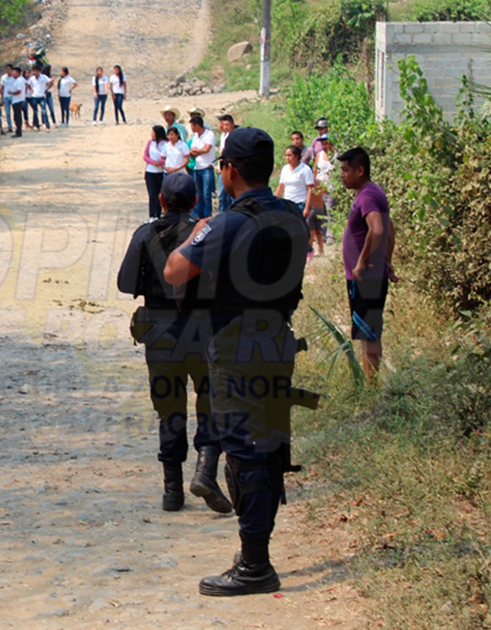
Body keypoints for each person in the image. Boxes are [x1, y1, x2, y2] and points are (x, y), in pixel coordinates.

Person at [164, 128, 310, 597]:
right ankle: (256, 553)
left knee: (244, 452)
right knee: (267, 448)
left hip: (236, 345)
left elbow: (174, 270)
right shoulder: (294, 217)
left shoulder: (226, 223)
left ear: (228, 169)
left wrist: (203, 230)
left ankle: (254, 564)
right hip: (277, 340)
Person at [118, 172, 232, 515]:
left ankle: (172, 491)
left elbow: (125, 283)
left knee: (169, 412)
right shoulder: (208, 233)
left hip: (161, 334)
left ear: (162, 201)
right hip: (204, 330)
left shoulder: (145, 233)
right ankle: (205, 470)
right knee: (211, 404)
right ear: (196, 202)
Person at [338, 147, 394, 383]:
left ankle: (371, 386)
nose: (342, 174)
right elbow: (391, 228)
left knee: (368, 334)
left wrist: (361, 262)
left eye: (345, 170)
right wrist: (387, 261)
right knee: (368, 332)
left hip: (365, 278)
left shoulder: (368, 195)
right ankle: (371, 382)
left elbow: (379, 229)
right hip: (372, 275)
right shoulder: (371, 191)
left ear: (359, 170)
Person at [276, 145, 318, 257]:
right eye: (286, 155)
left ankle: (307, 250)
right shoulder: (285, 169)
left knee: (301, 229)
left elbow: (309, 188)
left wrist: (307, 207)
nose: (287, 158)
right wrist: (274, 200)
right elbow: (281, 186)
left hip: (300, 203)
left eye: (290, 155)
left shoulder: (305, 169)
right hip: (287, 203)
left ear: (297, 156)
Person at [188, 116, 217, 219]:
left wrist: (197, 151)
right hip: (198, 167)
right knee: (199, 194)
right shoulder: (196, 136)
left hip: (207, 167)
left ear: (196, 125)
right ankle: (199, 215)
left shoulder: (209, 135)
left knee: (206, 194)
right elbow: (192, 150)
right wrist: (199, 151)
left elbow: (206, 150)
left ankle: (207, 215)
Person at [143, 125, 168, 220]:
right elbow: (145, 156)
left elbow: (168, 156)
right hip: (150, 171)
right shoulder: (150, 143)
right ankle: (151, 215)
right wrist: (154, 162)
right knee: (152, 194)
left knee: (159, 194)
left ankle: (157, 214)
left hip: (161, 172)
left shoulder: (166, 144)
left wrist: (160, 162)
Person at [215, 114, 237, 213]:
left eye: (227, 124)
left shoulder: (235, 136)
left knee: (232, 194)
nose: (225, 127)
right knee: (221, 195)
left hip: (232, 167)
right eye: (223, 125)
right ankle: (222, 215)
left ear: (232, 124)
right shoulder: (223, 136)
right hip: (223, 168)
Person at [8, 67, 28, 138]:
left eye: (14, 72)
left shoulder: (19, 81)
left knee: (18, 117)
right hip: (16, 100)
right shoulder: (17, 80)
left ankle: (18, 132)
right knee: (16, 117)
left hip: (18, 100)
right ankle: (18, 130)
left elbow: (19, 91)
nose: (12, 73)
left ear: (17, 73)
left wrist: (12, 93)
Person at [0, 64, 16, 134]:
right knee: (8, 113)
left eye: (9, 69)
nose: (7, 70)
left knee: (15, 112)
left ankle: (16, 125)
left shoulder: (14, 77)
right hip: (6, 96)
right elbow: (2, 88)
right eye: (6, 69)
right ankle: (10, 127)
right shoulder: (3, 77)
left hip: (13, 96)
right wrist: (2, 98)